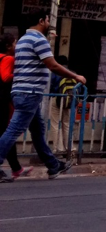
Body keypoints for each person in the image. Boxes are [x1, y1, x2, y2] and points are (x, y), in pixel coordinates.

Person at [0, 11, 86, 182]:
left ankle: (53, 165)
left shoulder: (23, 40)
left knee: (38, 131)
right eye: (47, 20)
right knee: (13, 131)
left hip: (24, 92)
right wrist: (75, 76)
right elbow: (52, 65)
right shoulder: (39, 40)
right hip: (29, 93)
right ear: (41, 21)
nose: (49, 23)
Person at [0, 34, 31, 180]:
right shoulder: (8, 59)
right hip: (3, 101)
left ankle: (16, 168)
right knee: (6, 133)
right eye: (15, 43)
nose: (16, 46)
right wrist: (19, 74)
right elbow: (5, 76)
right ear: (8, 46)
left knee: (6, 133)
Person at [47, 55, 77, 153]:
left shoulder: (54, 72)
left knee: (55, 124)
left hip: (56, 99)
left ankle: (58, 148)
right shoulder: (72, 73)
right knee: (67, 124)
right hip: (69, 100)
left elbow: (49, 86)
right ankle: (70, 148)